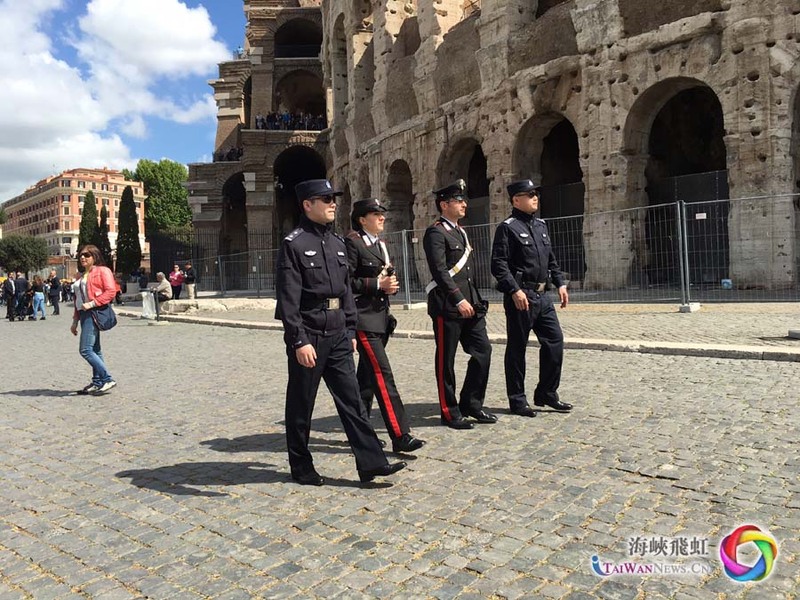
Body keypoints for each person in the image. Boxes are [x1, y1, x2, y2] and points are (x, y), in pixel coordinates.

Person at [275, 178, 406, 486]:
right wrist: (298, 340)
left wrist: (349, 328)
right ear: (308, 205)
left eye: (333, 198)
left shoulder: (336, 244)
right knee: (301, 404)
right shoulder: (294, 244)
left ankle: (372, 463)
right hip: (309, 332)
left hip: (337, 333)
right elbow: (288, 299)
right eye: (325, 199)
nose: (332, 203)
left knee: (353, 401)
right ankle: (301, 466)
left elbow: (346, 290)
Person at [345, 198, 426, 453]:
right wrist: (377, 285)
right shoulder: (353, 242)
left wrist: (387, 286)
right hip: (364, 318)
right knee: (383, 375)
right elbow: (345, 282)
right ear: (361, 219)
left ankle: (360, 431)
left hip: (380, 318)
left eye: (382, 213)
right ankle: (400, 435)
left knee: (367, 379)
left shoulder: (380, 245)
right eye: (375, 214)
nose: (382, 217)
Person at [490, 179, 572, 417]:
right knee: (517, 349)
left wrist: (560, 283)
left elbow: (551, 259)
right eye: (529, 194)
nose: (535, 197)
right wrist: (514, 290)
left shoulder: (541, 226)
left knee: (555, 342)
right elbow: (499, 264)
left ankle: (547, 392)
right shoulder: (508, 227)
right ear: (516, 200)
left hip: (543, 296)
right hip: (521, 296)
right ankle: (517, 400)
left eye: (536, 193)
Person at [423, 179, 496, 430]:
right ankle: (449, 411)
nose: (464, 204)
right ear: (444, 205)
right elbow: (440, 270)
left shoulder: (460, 231)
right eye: (458, 200)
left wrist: (472, 300)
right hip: (448, 305)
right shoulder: (435, 232)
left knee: (483, 351)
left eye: (464, 200)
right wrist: (459, 299)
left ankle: (472, 403)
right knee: (446, 361)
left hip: (471, 303)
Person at [71, 245, 117, 395]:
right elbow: (78, 299)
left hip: (93, 312)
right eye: (81, 255)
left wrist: (92, 303)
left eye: (87, 255)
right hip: (84, 314)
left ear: (94, 257)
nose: (82, 257)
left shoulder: (103, 271)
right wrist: (75, 320)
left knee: (85, 350)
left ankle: (107, 378)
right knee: (95, 350)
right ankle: (97, 382)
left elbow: (111, 291)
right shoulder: (82, 275)